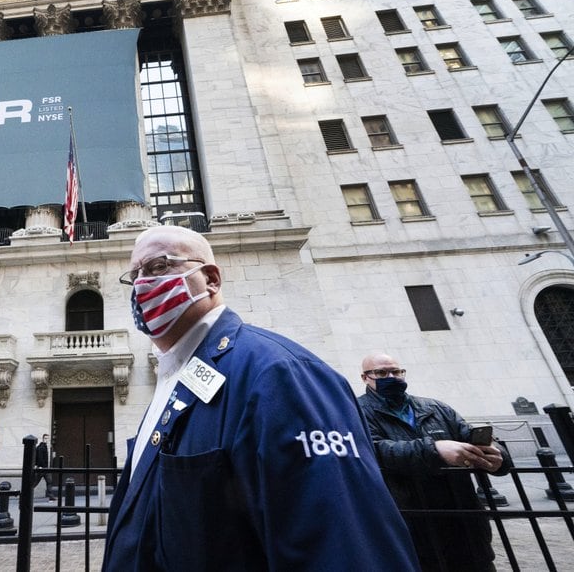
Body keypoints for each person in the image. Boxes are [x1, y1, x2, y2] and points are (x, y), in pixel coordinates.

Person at [102, 225, 420, 571]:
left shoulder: (280, 372)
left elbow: (342, 545)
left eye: (159, 267)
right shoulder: (175, 377)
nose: (141, 285)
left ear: (210, 279)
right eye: (134, 276)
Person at [358, 353, 513, 572]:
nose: (391, 377)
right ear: (365, 378)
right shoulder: (356, 412)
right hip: (409, 518)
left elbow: (469, 434)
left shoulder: (436, 408)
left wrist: (499, 457)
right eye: (381, 373)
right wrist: (435, 450)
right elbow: (374, 450)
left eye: (396, 371)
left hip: (462, 518)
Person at [34, 434, 54, 501]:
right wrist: (40, 466)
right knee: (34, 482)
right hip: (42, 468)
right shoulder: (41, 447)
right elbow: (39, 458)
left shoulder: (45, 447)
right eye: (45, 438)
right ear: (43, 439)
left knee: (49, 481)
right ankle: (24, 494)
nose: (47, 440)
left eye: (48, 438)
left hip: (45, 468)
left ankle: (50, 495)